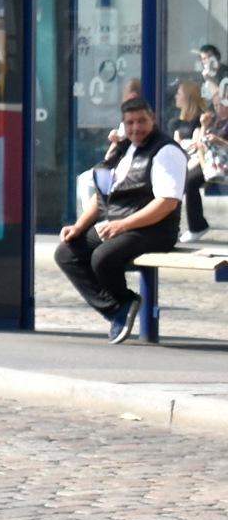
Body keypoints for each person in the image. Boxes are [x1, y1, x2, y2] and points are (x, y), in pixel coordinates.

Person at [56, 88, 190, 342]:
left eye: (141, 121)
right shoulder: (123, 149)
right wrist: (78, 226)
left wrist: (123, 225)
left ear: (153, 119)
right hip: (118, 222)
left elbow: (167, 203)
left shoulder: (166, 152)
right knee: (67, 252)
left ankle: (123, 304)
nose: (136, 128)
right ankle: (118, 307)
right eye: (130, 123)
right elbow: (103, 195)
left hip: (154, 229)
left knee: (103, 257)